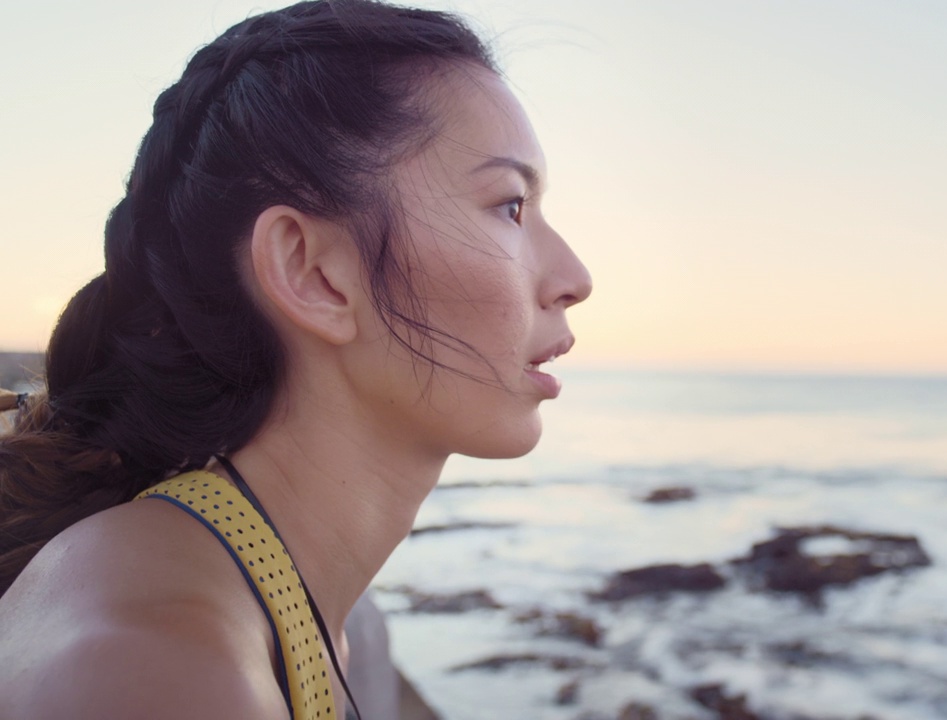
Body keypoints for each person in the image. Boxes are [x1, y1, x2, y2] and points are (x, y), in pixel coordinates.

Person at [0, 1, 591, 718]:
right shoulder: (165, 671)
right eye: (511, 206)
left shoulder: (264, 604)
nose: (575, 276)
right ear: (313, 274)